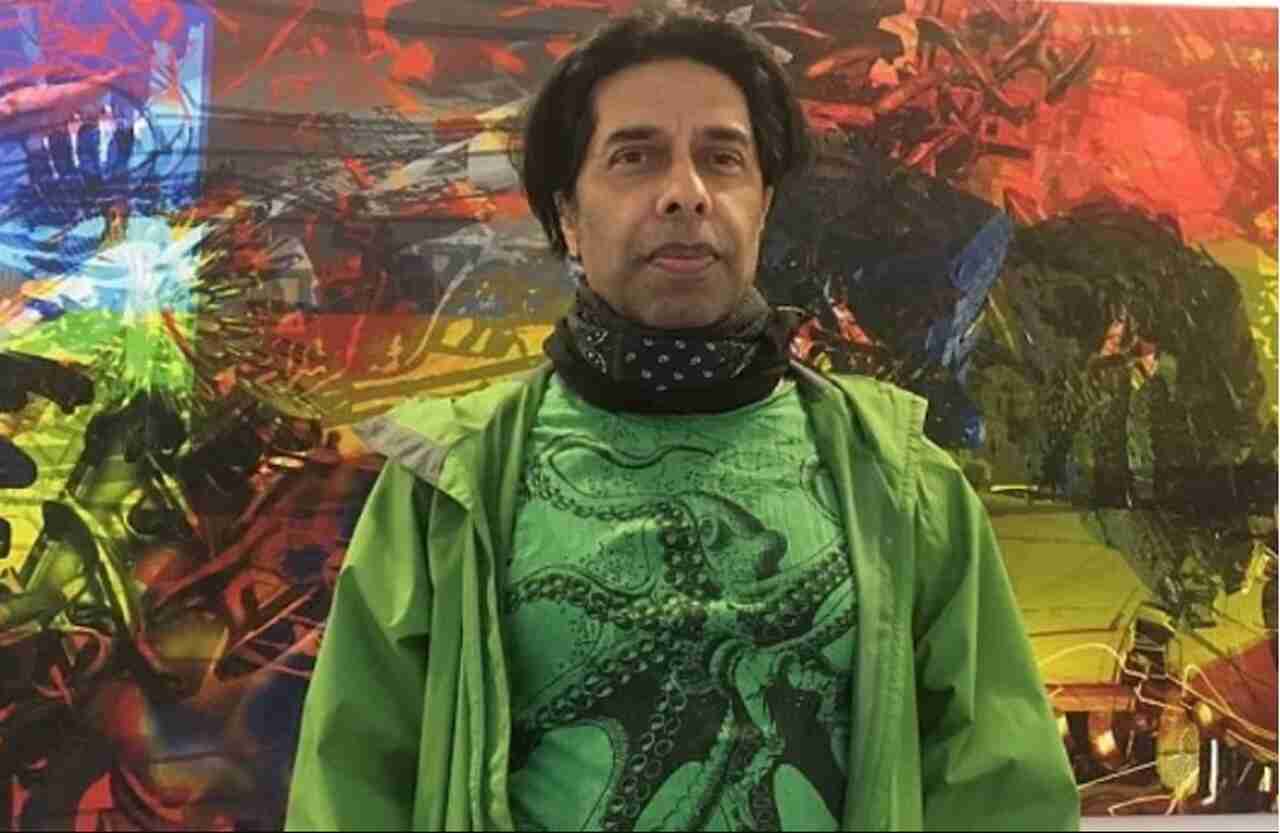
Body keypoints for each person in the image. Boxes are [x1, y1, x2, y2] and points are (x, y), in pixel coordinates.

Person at [284, 7, 1079, 831]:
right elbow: (352, 791)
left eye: (722, 159)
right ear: (567, 214)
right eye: (634, 157)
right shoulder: (448, 486)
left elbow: (1001, 795)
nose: (685, 194)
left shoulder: (903, 482)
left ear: (763, 206)